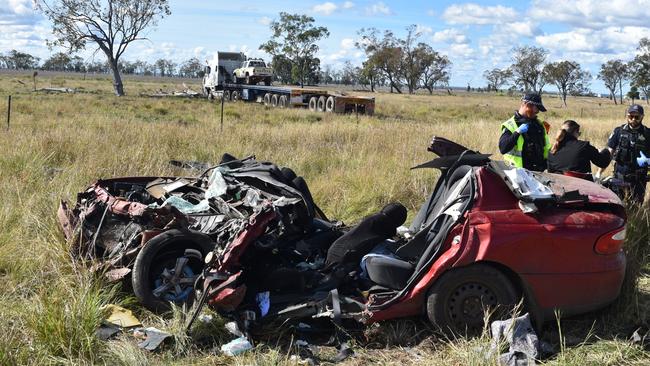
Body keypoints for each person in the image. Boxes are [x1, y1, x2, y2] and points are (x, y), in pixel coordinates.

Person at [600, 104, 650, 203]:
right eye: (631, 116)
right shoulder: (618, 131)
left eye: (637, 117)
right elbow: (609, 153)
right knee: (616, 204)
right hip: (619, 176)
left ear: (642, 117)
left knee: (636, 206)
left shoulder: (648, 133)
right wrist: (599, 172)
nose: (633, 119)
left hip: (639, 178)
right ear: (627, 116)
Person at [499, 93, 551, 171]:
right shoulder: (511, 125)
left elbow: (545, 148)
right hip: (519, 173)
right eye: (536, 108)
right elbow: (503, 149)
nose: (537, 112)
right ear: (527, 105)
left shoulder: (539, 124)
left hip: (539, 172)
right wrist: (517, 132)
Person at [547, 120, 611, 181]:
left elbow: (551, 173)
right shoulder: (584, 146)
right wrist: (606, 151)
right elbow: (603, 162)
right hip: (583, 189)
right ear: (575, 132)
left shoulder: (552, 150)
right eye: (579, 133)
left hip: (560, 189)